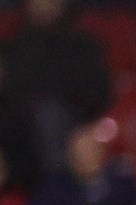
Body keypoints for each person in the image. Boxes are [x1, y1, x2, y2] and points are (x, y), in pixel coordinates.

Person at [0, 0, 109, 173]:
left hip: (68, 126)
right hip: (19, 125)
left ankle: (56, 185)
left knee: (49, 115)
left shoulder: (80, 41)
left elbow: (98, 94)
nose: (42, 4)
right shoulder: (14, 43)